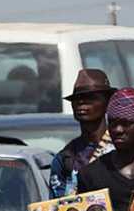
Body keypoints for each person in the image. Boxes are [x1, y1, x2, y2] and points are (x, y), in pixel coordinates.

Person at [49, 69, 116, 198]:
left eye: (90, 97)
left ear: (107, 102)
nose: (81, 102)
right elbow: (57, 206)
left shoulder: (122, 148)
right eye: (77, 98)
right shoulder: (66, 157)